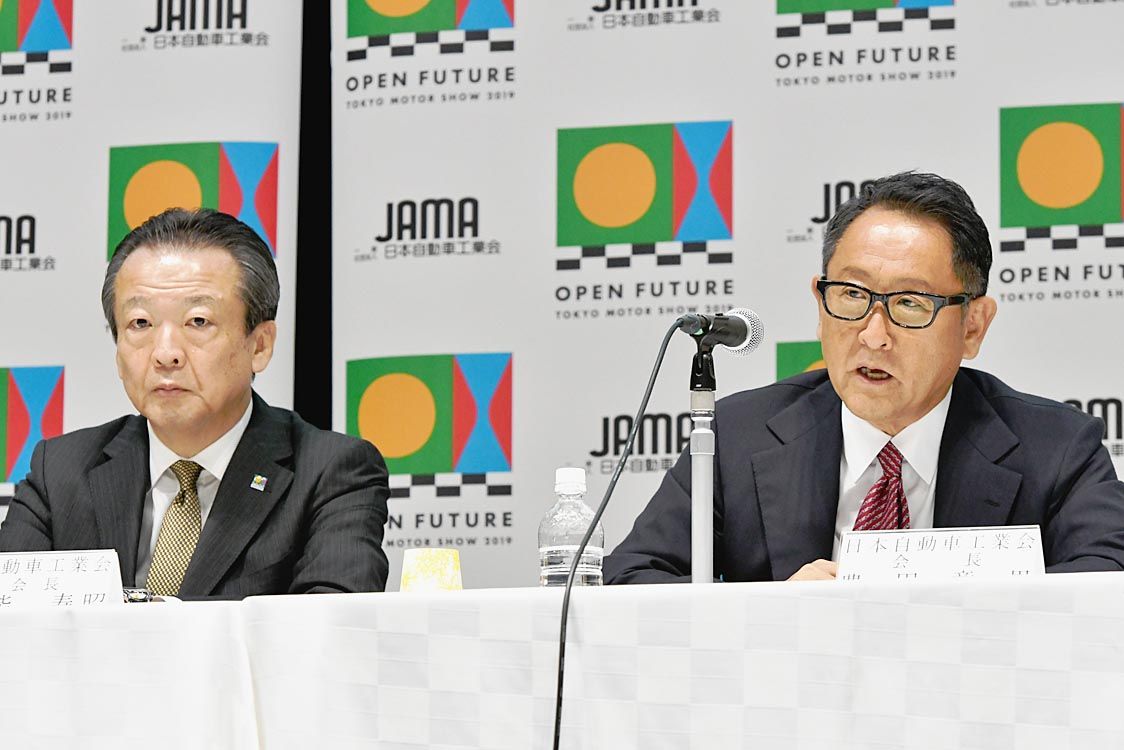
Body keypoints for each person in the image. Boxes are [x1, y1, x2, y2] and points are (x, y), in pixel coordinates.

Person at [604, 172, 1124, 583]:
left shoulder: (1056, 448)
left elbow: (1108, 582)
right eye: (852, 295)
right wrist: (772, 613)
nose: (874, 336)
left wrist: (956, 606)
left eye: (910, 303)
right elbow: (631, 577)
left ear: (973, 326)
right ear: (820, 303)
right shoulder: (739, 435)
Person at [0, 208, 390, 598]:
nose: (165, 353)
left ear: (260, 345)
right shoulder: (61, 471)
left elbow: (332, 625)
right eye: (140, 324)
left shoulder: (330, 473)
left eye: (198, 322)